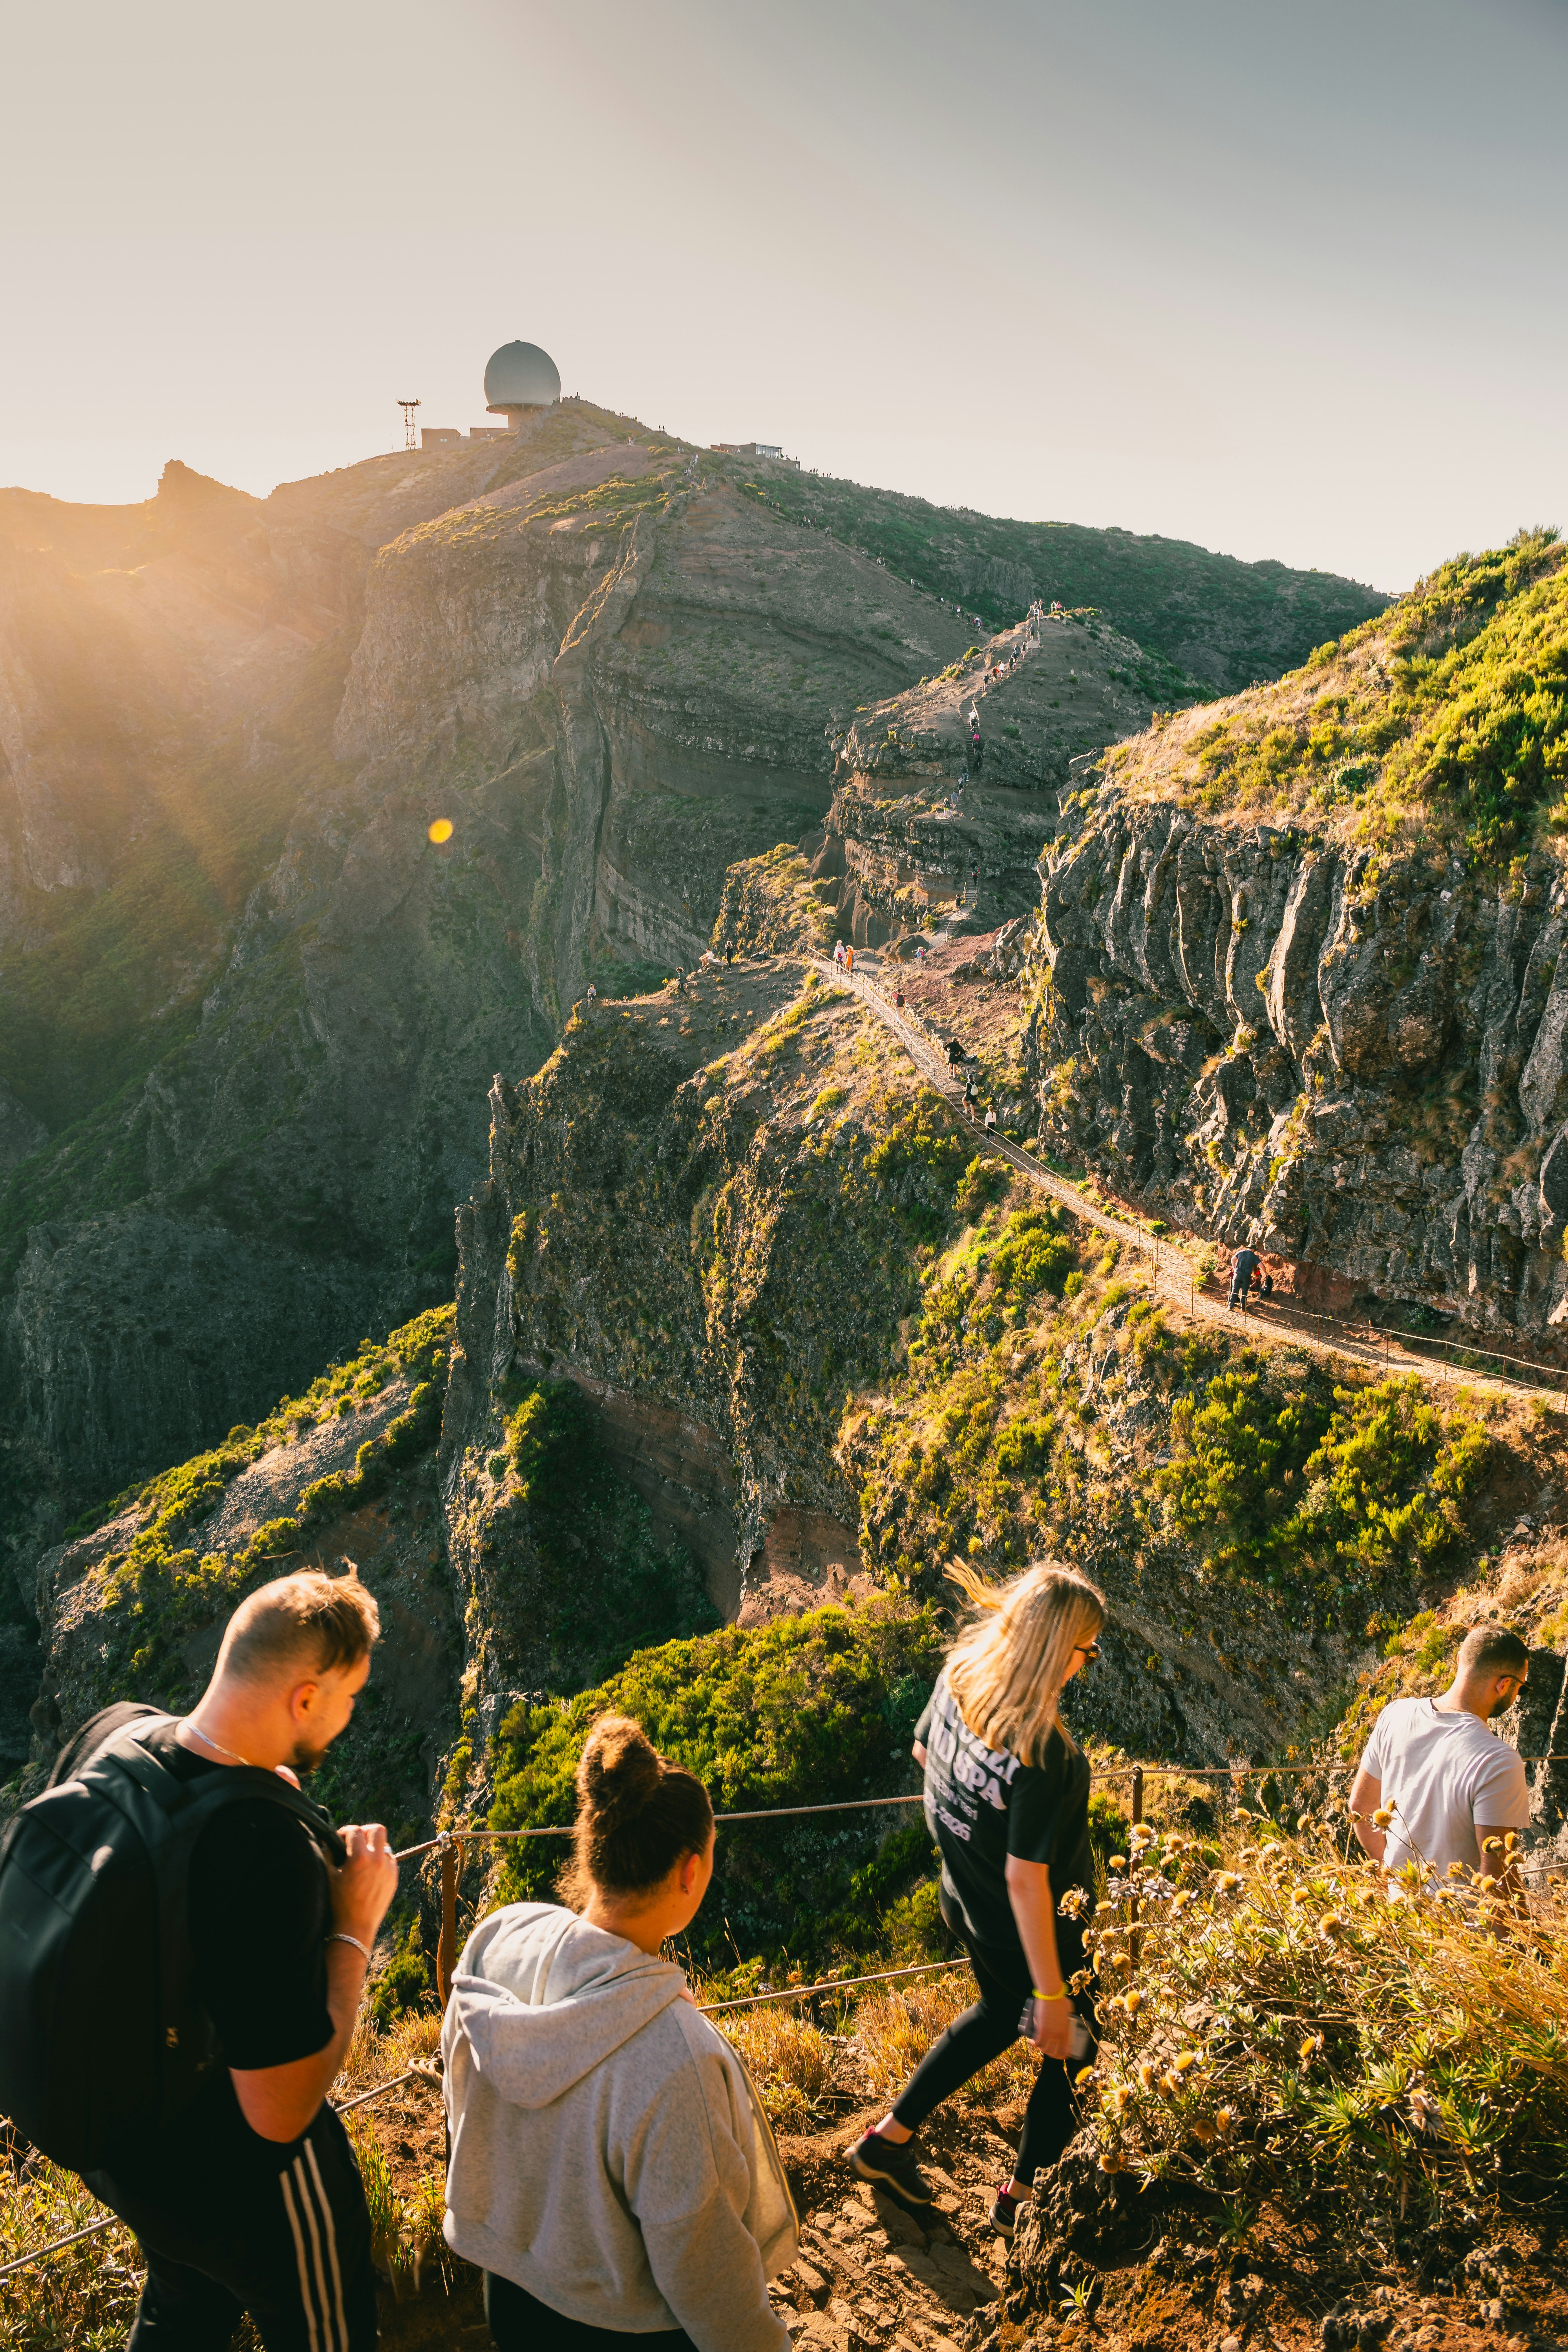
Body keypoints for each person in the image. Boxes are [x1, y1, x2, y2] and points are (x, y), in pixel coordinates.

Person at [69, 1570, 399, 2351]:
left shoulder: (114, 1734)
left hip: (121, 2148)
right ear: (305, 1698)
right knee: (326, 2330)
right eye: (350, 1696)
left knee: (184, 2301)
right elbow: (280, 2112)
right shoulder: (264, 1848)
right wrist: (355, 1928)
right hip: (237, 2178)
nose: (352, 1714)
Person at [442, 1716, 796, 2350]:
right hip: (620, 2328)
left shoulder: (496, 1939)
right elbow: (705, 2273)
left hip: (511, 2295)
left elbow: (464, 2104)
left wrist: (651, 2002)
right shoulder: (677, 2057)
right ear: (690, 1871)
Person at [848, 1563, 1104, 2237]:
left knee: (995, 2014)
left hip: (965, 1901)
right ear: (1058, 1648)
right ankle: (1021, 2197)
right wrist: (1049, 1993)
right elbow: (1027, 1879)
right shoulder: (1045, 1751)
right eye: (1087, 1650)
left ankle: (887, 2140)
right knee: (1075, 2048)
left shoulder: (960, 1674)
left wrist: (965, 1838)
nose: (1086, 1664)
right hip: (1034, 1933)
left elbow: (923, 1753)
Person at [1349, 1626, 1530, 1887]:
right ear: (1504, 1685)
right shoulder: (1498, 1761)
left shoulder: (1395, 1714)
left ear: (1459, 1659)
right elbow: (1498, 1878)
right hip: (1460, 1913)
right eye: (1521, 1689)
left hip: (1399, 1907)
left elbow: (1361, 1807)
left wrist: (1389, 1877)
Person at [1228, 1245, 1260, 1309]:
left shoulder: (1241, 1253)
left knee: (1234, 1290)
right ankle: (1243, 1307)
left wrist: (1234, 1268)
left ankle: (1230, 1306)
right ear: (1253, 1250)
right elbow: (1254, 1268)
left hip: (1236, 1274)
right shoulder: (1253, 1257)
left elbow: (1233, 1260)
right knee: (1244, 1291)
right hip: (1243, 1275)